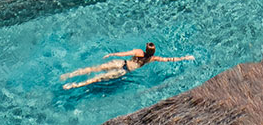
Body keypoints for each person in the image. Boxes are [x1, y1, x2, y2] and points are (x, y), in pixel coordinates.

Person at [59, 42, 193, 89]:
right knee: (98, 78)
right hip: (124, 71)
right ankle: (76, 85)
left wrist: (112, 55)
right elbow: (170, 59)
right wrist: (185, 58)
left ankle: (69, 75)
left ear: (146, 47)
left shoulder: (138, 52)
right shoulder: (153, 59)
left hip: (121, 63)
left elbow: (124, 53)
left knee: (94, 69)